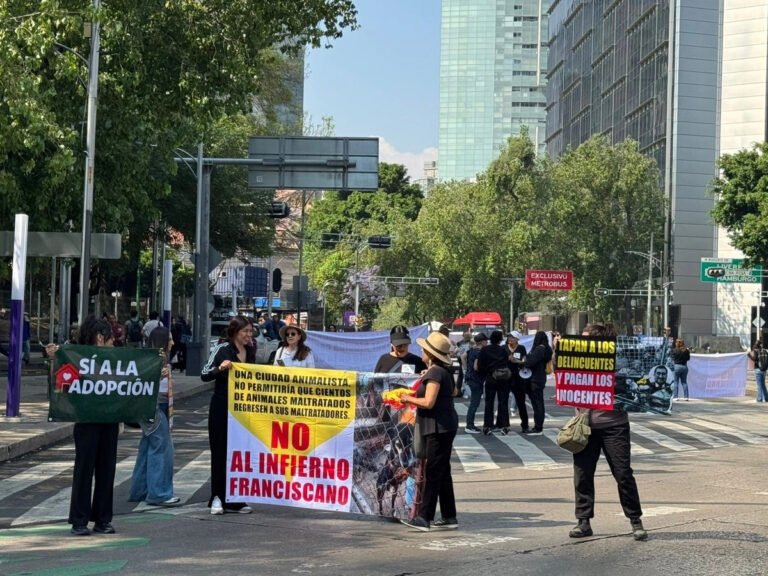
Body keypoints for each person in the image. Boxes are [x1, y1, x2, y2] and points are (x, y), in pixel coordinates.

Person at [569, 323, 647, 542]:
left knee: (622, 473)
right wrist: (559, 352)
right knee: (582, 474)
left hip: (614, 425)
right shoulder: (576, 360)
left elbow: (631, 390)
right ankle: (583, 521)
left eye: (585, 339)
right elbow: (563, 377)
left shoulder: (619, 363)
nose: (580, 342)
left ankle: (635, 520)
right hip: (584, 424)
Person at [46, 316, 119, 536]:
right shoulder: (77, 358)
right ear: (99, 337)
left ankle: (102, 519)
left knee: (107, 471)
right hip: (87, 421)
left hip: (109, 420)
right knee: (84, 470)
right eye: (110, 339)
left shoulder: (117, 360)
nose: (113, 343)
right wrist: (55, 359)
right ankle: (79, 519)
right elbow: (62, 384)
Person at [400, 331, 459, 532]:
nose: (421, 352)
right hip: (444, 425)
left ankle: (424, 517)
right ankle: (449, 515)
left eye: (424, 349)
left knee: (434, 471)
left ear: (430, 354)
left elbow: (428, 402)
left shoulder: (435, 373)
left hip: (437, 427)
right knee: (443, 472)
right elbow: (453, 392)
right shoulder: (442, 372)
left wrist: (407, 399)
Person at [202, 316, 256, 515]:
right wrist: (220, 368)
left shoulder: (250, 351)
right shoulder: (222, 349)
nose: (249, 336)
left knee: (237, 454)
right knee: (220, 452)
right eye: (245, 332)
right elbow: (204, 373)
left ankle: (234, 498)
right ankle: (217, 497)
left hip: (241, 411)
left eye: (251, 332)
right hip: (221, 408)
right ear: (235, 332)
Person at [129, 326, 180, 507]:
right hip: (153, 407)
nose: (173, 343)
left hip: (156, 406)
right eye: (170, 339)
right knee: (161, 447)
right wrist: (158, 375)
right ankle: (159, 493)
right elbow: (142, 383)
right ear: (162, 341)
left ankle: (140, 489)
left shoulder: (158, 357)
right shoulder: (155, 359)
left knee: (148, 446)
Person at [476, 330, 513, 435]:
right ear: (500, 340)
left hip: (490, 378)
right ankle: (503, 424)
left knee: (489, 402)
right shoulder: (503, 350)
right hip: (503, 378)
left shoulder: (484, 350)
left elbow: (480, 366)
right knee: (503, 402)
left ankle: (488, 425)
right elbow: (507, 362)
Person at [519, 331, 552, 435]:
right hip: (541, 377)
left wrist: (525, 360)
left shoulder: (539, 349)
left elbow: (530, 362)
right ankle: (538, 425)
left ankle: (538, 427)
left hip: (535, 378)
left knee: (537, 403)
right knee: (539, 402)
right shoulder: (548, 349)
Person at [461, 332, 487, 433]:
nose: (487, 342)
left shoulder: (471, 350)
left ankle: (470, 424)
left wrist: (466, 368)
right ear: (482, 342)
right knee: (474, 403)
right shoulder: (480, 352)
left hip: (470, 377)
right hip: (476, 379)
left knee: (474, 402)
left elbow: (462, 357)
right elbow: (477, 367)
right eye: (486, 341)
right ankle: (469, 425)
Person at [506, 331, 530, 433]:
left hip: (518, 378)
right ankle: (504, 424)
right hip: (505, 377)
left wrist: (517, 361)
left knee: (521, 403)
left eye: (513, 337)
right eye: (509, 337)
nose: (510, 339)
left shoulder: (521, 348)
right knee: (503, 402)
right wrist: (506, 359)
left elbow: (525, 361)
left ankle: (525, 425)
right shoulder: (504, 348)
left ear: (517, 339)